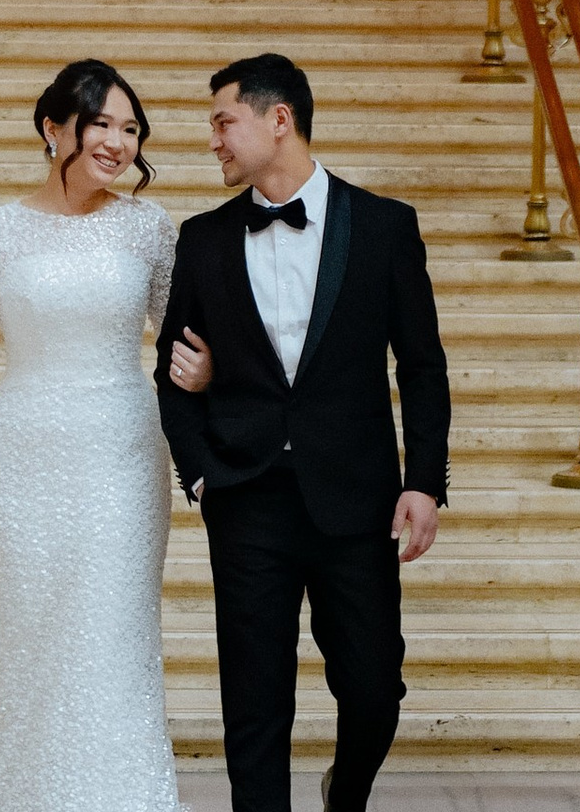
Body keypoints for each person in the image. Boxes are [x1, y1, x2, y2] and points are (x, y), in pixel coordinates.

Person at [154, 52, 451, 812]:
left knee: (374, 684)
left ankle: (345, 792)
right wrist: (198, 472)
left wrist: (423, 481)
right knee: (254, 698)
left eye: (224, 121)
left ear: (276, 118)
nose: (213, 140)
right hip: (245, 494)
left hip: (356, 496)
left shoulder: (385, 227)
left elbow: (420, 365)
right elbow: (171, 370)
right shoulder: (204, 239)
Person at [0, 59, 184, 811]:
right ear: (53, 128)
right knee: (31, 645)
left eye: (132, 130)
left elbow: (183, 337)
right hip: (24, 457)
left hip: (123, 457)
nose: (119, 143)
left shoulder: (149, 229)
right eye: (102, 124)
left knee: (113, 638)